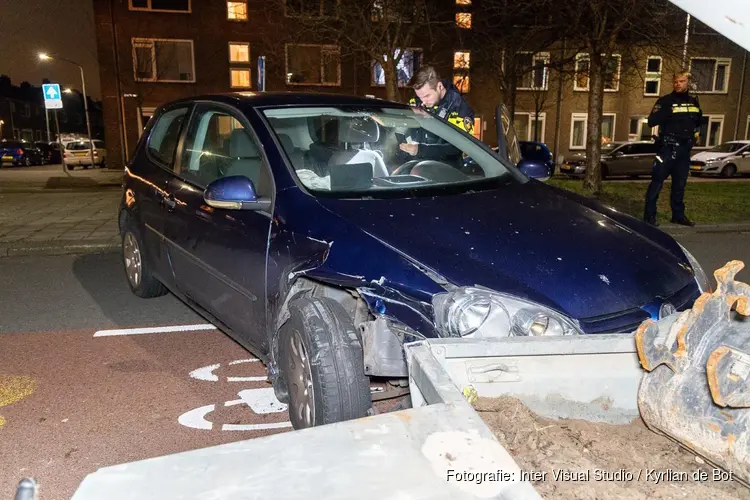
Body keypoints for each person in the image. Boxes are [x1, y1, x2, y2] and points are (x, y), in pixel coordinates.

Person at [643, 71, 703, 227]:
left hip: (684, 151)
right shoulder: (665, 101)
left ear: (688, 83)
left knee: (680, 185)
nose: (678, 84)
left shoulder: (693, 102)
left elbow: (698, 122)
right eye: (676, 81)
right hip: (668, 149)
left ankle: (678, 215)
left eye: (682, 81)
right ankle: (649, 216)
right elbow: (651, 121)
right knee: (657, 183)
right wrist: (665, 114)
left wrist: (696, 134)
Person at [397, 66, 476, 165]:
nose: (423, 102)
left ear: (439, 87)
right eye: (419, 97)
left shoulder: (459, 108)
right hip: (417, 166)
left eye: (427, 96)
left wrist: (421, 150)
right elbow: (405, 128)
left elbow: (460, 148)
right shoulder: (417, 102)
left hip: (448, 172)